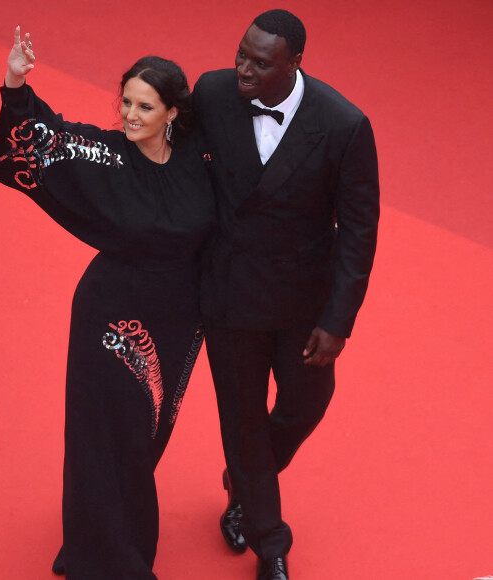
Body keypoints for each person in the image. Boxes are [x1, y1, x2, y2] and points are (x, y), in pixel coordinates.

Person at [0, 27, 214, 580]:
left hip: (175, 319)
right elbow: (45, 134)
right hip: (109, 315)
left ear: (172, 113)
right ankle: (103, 557)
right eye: (125, 101)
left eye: (144, 106)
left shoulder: (200, 163)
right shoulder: (105, 155)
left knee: (146, 433)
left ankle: (116, 534)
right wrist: (15, 79)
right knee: (98, 430)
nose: (129, 115)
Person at [192, 9, 379, 580]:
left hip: (303, 302)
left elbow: (359, 228)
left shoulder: (344, 124)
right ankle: (269, 542)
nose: (243, 69)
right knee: (242, 417)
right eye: (241, 55)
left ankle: (245, 479)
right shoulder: (214, 92)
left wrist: (338, 319)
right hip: (229, 294)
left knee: (306, 403)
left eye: (260, 63)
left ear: (295, 63)